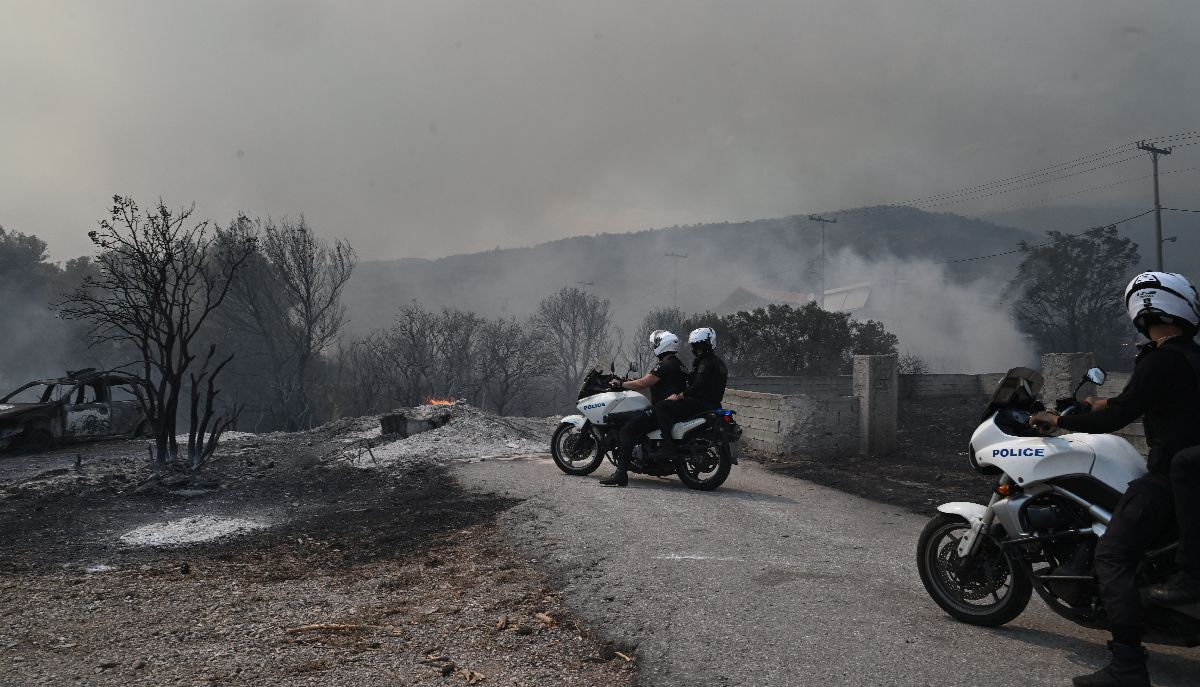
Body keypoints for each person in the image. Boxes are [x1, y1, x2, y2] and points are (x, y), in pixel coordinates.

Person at [1029, 271, 1200, 687]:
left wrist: (1059, 419)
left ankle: (1127, 669)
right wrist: (1100, 403)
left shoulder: (1162, 359)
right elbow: (1140, 400)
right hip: (1190, 472)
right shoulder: (1189, 356)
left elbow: (1119, 416)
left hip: (1168, 473)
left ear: (1143, 309)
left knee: (1111, 557)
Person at [599, 330, 688, 487]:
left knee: (627, 430)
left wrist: (621, 384)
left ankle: (620, 474)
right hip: (675, 409)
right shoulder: (680, 365)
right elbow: (649, 380)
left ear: (662, 345)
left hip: (663, 410)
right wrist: (629, 381)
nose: (654, 347)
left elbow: (643, 384)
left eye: (655, 344)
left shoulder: (664, 365)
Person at [653, 327, 728, 454]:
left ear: (709, 344)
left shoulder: (706, 363)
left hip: (699, 403)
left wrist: (680, 395)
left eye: (700, 345)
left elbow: (699, 384)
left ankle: (667, 445)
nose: (697, 349)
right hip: (714, 404)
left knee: (661, 407)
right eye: (695, 345)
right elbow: (694, 379)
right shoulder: (719, 363)